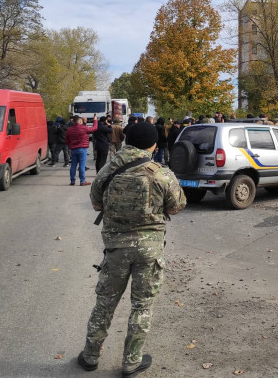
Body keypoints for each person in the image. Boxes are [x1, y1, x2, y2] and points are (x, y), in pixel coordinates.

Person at [78, 122, 186, 377]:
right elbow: (177, 205)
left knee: (104, 303)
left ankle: (90, 356)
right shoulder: (161, 173)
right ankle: (132, 361)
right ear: (153, 145)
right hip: (149, 249)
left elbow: (95, 203)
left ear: (126, 142)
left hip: (115, 249)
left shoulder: (107, 170)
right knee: (142, 305)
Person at [66, 116, 98, 186]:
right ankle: (82, 181)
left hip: (73, 149)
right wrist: (95, 121)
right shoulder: (84, 128)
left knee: (73, 165)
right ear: (80, 121)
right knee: (82, 165)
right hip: (82, 149)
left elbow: (67, 140)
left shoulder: (69, 130)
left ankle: (72, 180)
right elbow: (94, 128)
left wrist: (71, 146)